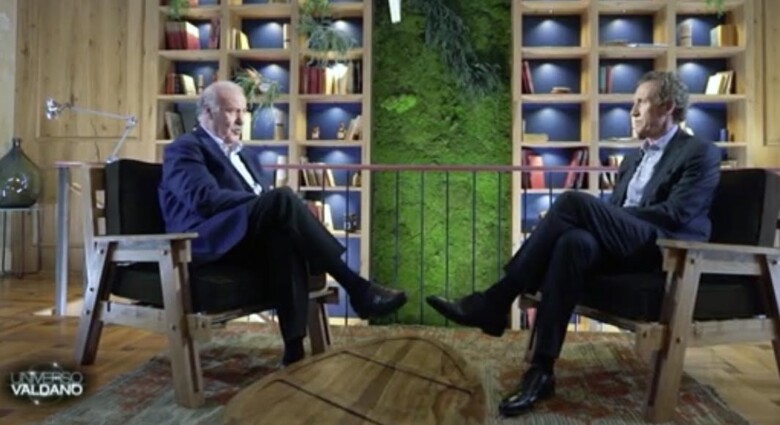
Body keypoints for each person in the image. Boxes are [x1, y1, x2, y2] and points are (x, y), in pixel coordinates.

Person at [426, 71, 721, 416]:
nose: (632, 111)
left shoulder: (699, 152)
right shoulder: (633, 159)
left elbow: (676, 214)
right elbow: (616, 211)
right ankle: (541, 371)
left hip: (663, 248)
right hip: (624, 243)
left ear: (667, 106)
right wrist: (608, 219)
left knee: (572, 201)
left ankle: (496, 300)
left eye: (641, 102)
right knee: (573, 242)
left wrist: (611, 217)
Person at [158, 81, 407, 365]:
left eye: (243, 111)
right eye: (231, 111)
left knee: (284, 236)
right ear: (206, 111)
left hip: (246, 238)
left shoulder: (246, 156)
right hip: (206, 239)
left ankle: (294, 351)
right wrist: (262, 203)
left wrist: (266, 205)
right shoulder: (185, 148)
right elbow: (203, 198)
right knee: (283, 198)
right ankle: (357, 288)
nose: (240, 120)